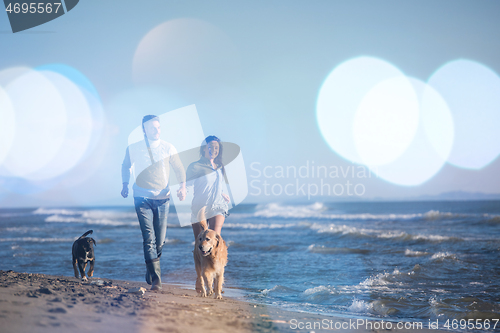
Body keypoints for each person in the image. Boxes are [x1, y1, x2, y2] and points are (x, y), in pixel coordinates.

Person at [121, 115, 186, 290]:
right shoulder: (134, 148)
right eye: (152, 128)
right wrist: (125, 184)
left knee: (160, 241)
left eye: (158, 128)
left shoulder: (168, 147)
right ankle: (157, 280)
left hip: (163, 199)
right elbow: (125, 166)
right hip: (141, 198)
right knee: (149, 239)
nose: (156, 131)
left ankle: (150, 267)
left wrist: (183, 186)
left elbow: (179, 168)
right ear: (144, 129)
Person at [187, 135, 230, 240]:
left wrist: (222, 193)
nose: (214, 150)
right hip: (199, 207)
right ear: (204, 148)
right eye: (211, 147)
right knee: (200, 242)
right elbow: (186, 184)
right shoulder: (195, 166)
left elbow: (218, 185)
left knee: (215, 239)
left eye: (217, 148)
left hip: (217, 206)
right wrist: (182, 191)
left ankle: (217, 257)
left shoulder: (220, 166)